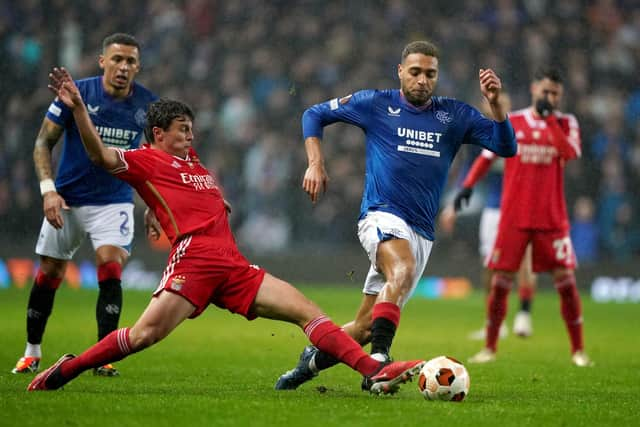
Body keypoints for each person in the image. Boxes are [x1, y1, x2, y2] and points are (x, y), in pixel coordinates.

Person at [28, 67, 425, 395]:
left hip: (233, 265)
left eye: (191, 129)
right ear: (158, 134)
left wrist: (213, 202)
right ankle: (68, 369)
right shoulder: (142, 160)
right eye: (182, 130)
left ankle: (373, 369)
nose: (190, 136)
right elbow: (99, 155)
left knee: (308, 312)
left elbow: (182, 192)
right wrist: (80, 109)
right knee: (144, 336)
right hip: (195, 262)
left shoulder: (192, 159)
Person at [275, 40, 517, 391]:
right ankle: (381, 361)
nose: (422, 80)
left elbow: (506, 147)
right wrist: (315, 162)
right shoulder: (376, 103)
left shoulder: (455, 116)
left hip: (421, 231)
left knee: (365, 326)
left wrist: (495, 105)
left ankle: (308, 364)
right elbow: (313, 114)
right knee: (400, 271)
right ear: (400, 72)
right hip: (380, 216)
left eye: (430, 74)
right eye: (415, 72)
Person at [13, 33, 158, 377]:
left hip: (115, 201)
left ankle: (102, 355)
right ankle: (32, 351)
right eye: (117, 59)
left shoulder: (148, 106)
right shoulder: (77, 94)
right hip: (68, 198)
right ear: (102, 61)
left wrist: (153, 202)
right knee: (50, 273)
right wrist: (49, 191)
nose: (123, 67)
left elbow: (156, 161)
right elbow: (42, 143)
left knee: (110, 266)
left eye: (130, 62)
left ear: (138, 66)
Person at [468, 67, 593, 367]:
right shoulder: (513, 121)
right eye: (545, 92)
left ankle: (578, 351)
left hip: (551, 218)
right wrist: (467, 187)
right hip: (514, 216)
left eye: (555, 94)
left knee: (566, 280)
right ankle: (490, 347)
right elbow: (487, 156)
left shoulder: (566, 122)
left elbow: (571, 153)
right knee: (501, 281)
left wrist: (550, 121)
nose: (549, 97)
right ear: (534, 89)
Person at [441, 94, 538, 340]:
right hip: (495, 207)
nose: (495, 108)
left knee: (524, 262)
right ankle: (494, 322)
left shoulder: (520, 133)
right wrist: (454, 205)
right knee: (490, 266)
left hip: (522, 207)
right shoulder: (481, 136)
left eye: (502, 105)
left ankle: (524, 315)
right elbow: (470, 170)